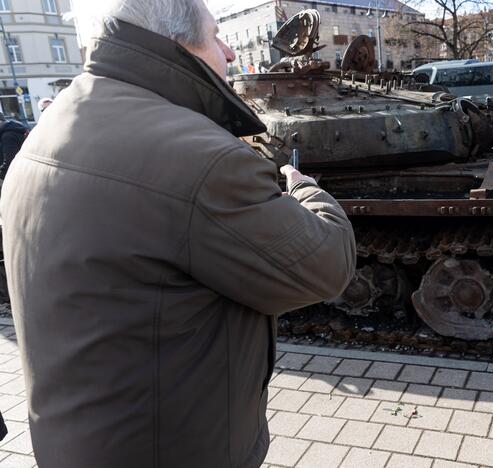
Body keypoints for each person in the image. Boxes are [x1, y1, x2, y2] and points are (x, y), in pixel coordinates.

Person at [0, 1, 356, 467]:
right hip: (173, 447)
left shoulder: (52, 125)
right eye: (215, 35)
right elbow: (327, 266)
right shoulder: (200, 157)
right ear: (177, 44)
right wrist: (304, 190)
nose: (230, 52)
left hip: (80, 440)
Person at [0, 113, 28, 183]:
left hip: (16, 176)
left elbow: (10, 160)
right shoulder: (17, 129)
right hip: (26, 171)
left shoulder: (7, 136)